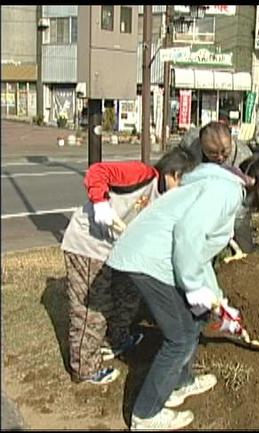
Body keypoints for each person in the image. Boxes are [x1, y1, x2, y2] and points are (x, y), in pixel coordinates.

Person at [106, 154, 259, 430]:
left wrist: (218, 299)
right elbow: (187, 236)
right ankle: (146, 414)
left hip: (161, 259)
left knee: (195, 320)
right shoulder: (226, 191)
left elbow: (200, 255)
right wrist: (194, 286)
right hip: (150, 261)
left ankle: (180, 383)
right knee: (179, 337)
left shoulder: (221, 187)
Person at [60, 147, 198, 385]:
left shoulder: (169, 203)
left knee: (129, 295)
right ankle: (84, 368)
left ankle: (117, 339)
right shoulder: (141, 174)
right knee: (93, 308)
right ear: (172, 174)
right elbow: (97, 172)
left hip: (123, 251)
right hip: (89, 244)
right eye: (184, 184)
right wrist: (100, 203)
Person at [180, 120, 257, 255]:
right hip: (197, 199)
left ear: (231, 140)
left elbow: (246, 198)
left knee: (242, 238)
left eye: (224, 151)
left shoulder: (244, 156)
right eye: (213, 152)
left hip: (234, 206)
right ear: (201, 143)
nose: (220, 157)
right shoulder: (189, 143)